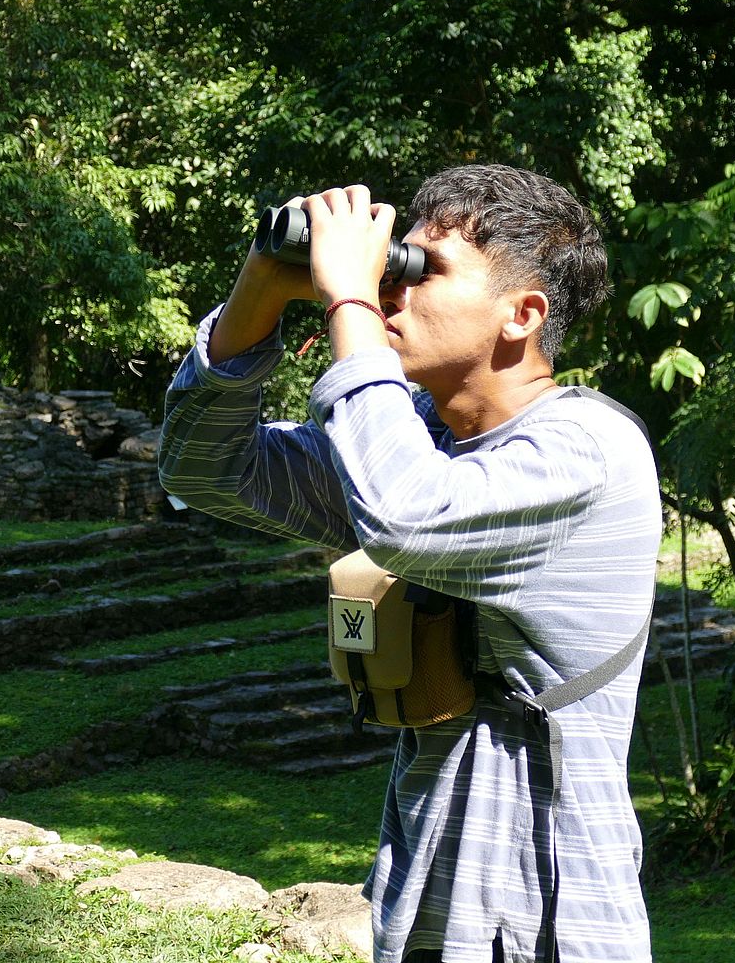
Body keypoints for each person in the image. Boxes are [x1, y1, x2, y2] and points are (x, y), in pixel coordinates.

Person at [158, 164, 660, 963]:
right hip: (422, 894)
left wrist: (349, 301)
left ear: (521, 315)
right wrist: (261, 284)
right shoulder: (420, 436)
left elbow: (403, 517)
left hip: (547, 911)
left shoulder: (587, 450)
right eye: (397, 264)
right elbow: (201, 470)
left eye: (428, 272)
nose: (396, 288)